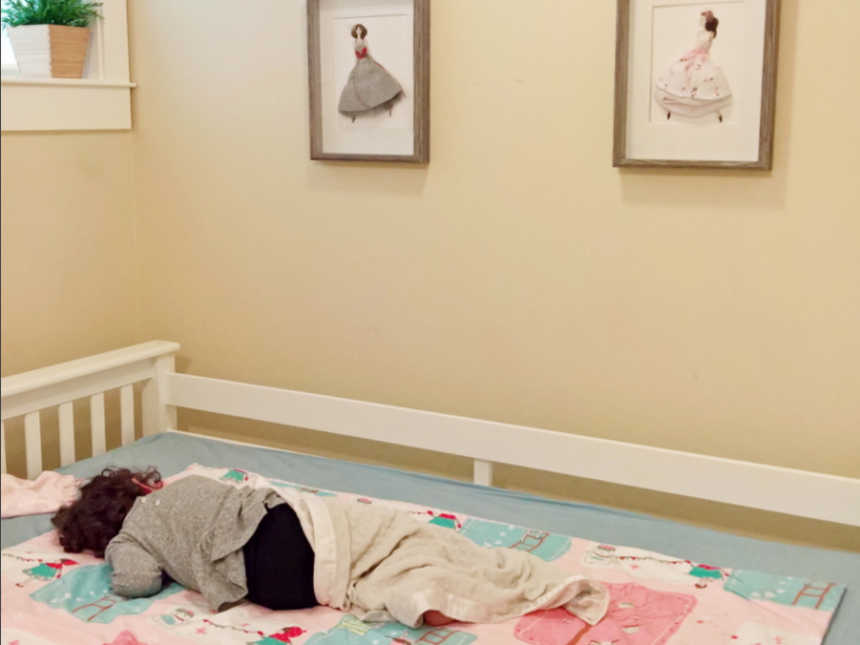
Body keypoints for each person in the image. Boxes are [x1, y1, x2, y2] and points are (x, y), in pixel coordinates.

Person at [52, 467, 607, 628]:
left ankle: (407, 592)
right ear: (142, 486)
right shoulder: (186, 486)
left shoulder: (130, 542)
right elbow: (244, 499)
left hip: (275, 587)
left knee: (358, 580)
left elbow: (136, 582)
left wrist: (143, 560)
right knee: (388, 535)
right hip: (286, 530)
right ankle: (424, 577)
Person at [654, 10, 732, 122]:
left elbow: (701, 44)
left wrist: (709, 19)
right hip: (696, 56)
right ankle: (674, 106)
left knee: (697, 78)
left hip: (701, 58)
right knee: (683, 75)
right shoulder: (706, 33)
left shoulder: (708, 34)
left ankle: (713, 110)